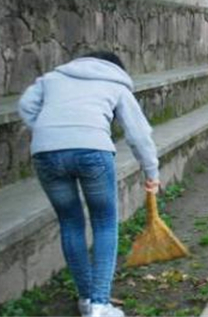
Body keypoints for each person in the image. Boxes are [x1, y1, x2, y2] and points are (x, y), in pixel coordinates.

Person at [18, 52, 160, 317]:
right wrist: (151, 171)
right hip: (92, 152)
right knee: (105, 223)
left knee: (70, 223)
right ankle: (99, 304)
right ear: (116, 68)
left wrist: (50, 132)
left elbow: (26, 105)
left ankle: (86, 300)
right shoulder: (115, 83)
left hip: (45, 153)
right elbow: (138, 134)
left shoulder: (51, 78)